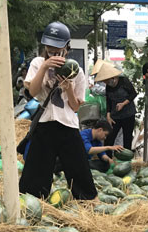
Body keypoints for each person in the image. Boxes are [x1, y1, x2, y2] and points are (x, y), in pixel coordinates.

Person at [19, 22, 96, 200]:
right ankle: (33, 202)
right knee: (36, 171)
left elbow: (76, 107)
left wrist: (68, 88)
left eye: (57, 49)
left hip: (67, 124)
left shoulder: (76, 69)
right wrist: (46, 66)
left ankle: (87, 202)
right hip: (44, 124)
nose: (53, 52)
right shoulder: (38, 63)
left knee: (79, 169)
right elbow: (33, 92)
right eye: (49, 48)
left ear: (66, 48)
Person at [95, 64, 137, 153]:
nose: (106, 83)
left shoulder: (124, 81)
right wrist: (108, 115)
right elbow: (108, 100)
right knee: (109, 138)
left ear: (113, 77)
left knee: (127, 138)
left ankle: (127, 161)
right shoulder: (108, 87)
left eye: (107, 80)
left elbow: (133, 94)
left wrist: (123, 103)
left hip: (128, 114)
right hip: (115, 116)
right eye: (104, 81)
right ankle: (107, 160)